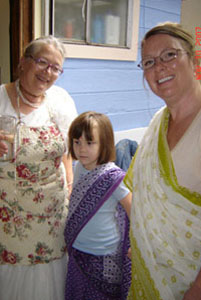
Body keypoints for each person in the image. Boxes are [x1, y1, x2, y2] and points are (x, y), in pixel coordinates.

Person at [124, 22, 201, 300]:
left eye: (170, 55)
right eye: (148, 62)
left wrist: (198, 289)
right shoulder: (159, 120)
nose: (159, 67)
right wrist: (143, 238)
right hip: (148, 271)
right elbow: (145, 197)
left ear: (193, 58)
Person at [0, 35, 77, 300]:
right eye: (42, 62)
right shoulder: (0, 97)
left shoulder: (60, 100)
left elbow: (69, 152)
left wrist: (69, 187)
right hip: (8, 218)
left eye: (56, 68)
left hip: (51, 216)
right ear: (23, 63)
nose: (48, 72)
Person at [64, 111, 132, 300]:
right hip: (78, 251)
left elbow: (134, 211)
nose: (81, 149)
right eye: (77, 142)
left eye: (90, 142)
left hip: (103, 255)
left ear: (104, 143)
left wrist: (137, 246)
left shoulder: (113, 177)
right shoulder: (79, 168)